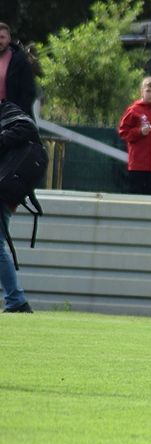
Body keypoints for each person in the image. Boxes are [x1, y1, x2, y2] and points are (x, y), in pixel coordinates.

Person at [0, 100, 38, 313]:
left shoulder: (8, 111)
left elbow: (27, 127)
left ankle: (16, 299)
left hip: (4, 188)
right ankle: (16, 299)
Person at [0, 22, 37, 118]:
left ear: (9, 39)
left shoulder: (20, 61)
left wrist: (17, 114)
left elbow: (29, 91)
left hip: (15, 118)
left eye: (2, 37)